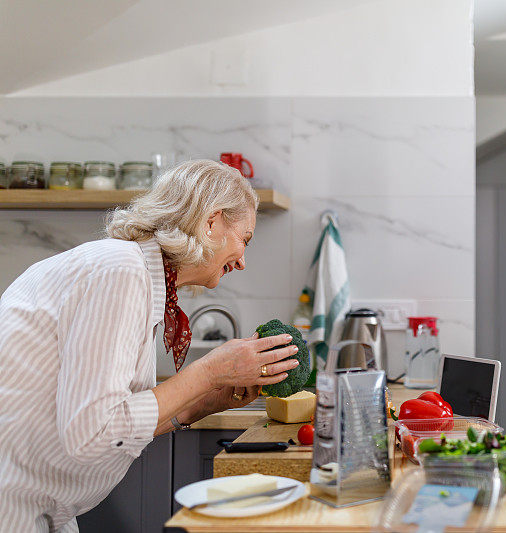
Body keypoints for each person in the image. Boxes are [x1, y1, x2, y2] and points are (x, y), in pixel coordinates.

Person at [0, 160, 298, 532]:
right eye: (245, 239)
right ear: (211, 222)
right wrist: (209, 371)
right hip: (12, 506)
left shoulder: (134, 272)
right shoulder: (120, 270)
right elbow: (92, 434)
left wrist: (201, 403)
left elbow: (115, 420)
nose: (242, 260)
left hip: (44, 507)